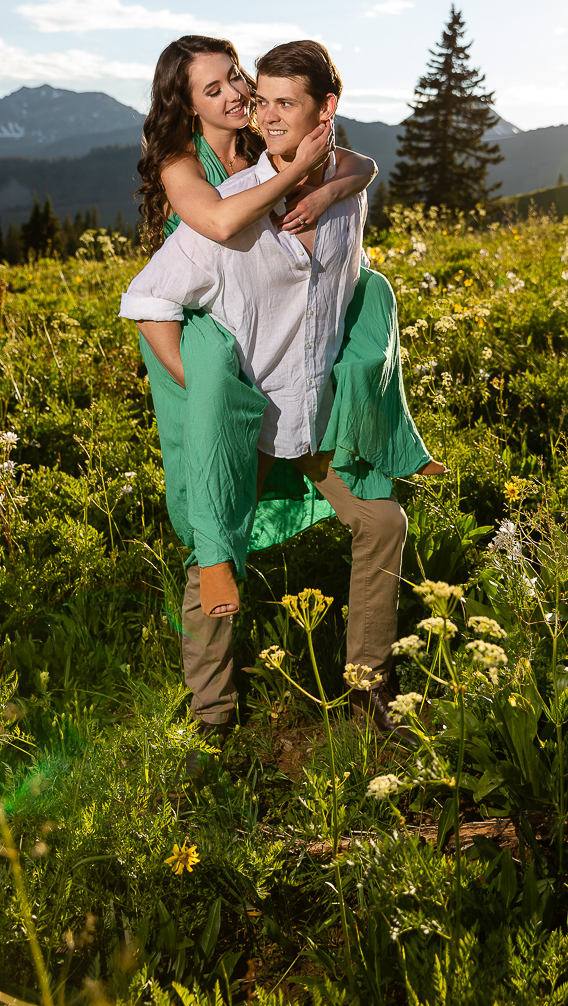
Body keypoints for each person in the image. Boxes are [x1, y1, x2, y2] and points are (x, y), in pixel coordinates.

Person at [124, 39, 437, 739]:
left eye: (243, 82)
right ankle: (212, 719)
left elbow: (354, 166)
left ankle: (367, 688)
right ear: (188, 104)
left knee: (381, 519)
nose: (242, 99)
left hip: (305, 382)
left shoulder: (301, 159)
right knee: (214, 542)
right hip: (218, 366)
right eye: (220, 90)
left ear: (318, 113)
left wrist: (325, 181)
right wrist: (221, 399)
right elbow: (206, 238)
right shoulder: (198, 173)